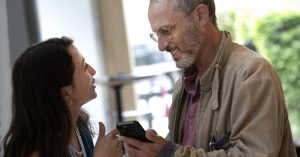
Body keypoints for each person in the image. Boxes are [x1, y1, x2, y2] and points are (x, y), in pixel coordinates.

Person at [119, 0, 297, 156]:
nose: (161, 45)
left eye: (166, 31)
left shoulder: (252, 74)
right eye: (157, 35)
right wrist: (154, 150)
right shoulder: (184, 84)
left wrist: (168, 153)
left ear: (201, 15)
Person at [2, 37, 121, 157]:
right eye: (84, 67)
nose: (93, 71)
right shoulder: (36, 153)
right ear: (65, 93)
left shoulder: (80, 129)